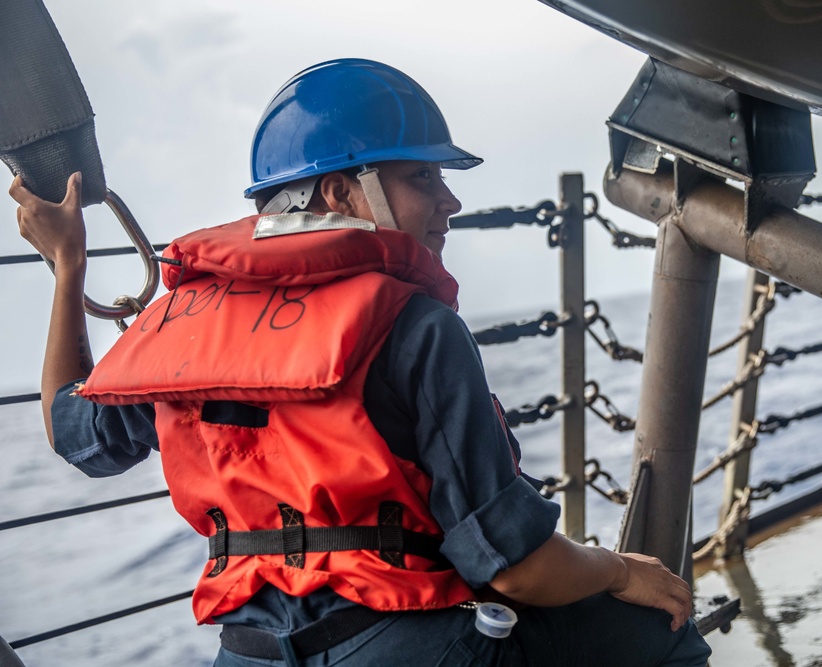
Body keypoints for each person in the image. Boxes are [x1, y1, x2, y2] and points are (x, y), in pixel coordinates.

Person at [10, 58, 711, 666]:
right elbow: (518, 569)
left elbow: (73, 432)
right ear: (343, 193)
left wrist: (68, 265)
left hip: (243, 653)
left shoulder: (176, 324)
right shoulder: (415, 326)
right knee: (659, 633)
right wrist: (621, 569)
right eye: (422, 177)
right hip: (406, 646)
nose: (450, 200)